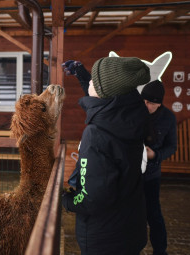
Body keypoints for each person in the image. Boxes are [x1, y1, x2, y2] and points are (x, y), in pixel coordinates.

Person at [61, 57, 151, 255]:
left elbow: (91, 199)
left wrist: (65, 200)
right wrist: (83, 77)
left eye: (95, 79)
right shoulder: (133, 114)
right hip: (130, 228)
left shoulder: (96, 135)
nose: (91, 81)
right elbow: (107, 104)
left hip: (104, 238)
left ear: (105, 91)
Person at [141, 80, 177, 255]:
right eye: (145, 102)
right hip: (129, 173)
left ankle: (160, 251)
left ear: (160, 103)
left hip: (151, 174)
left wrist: (155, 155)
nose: (147, 106)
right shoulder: (134, 111)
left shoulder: (168, 118)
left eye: (152, 103)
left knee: (154, 214)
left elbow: (171, 147)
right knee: (129, 214)